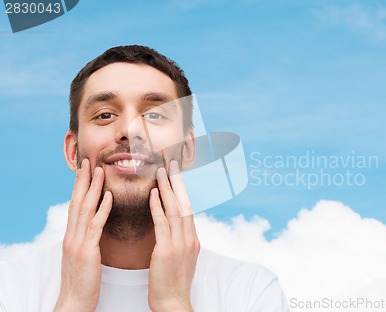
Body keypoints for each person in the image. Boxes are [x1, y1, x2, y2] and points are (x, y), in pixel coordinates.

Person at [0, 45, 290, 312]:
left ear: (188, 150)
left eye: (154, 115)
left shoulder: (250, 291)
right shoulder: (10, 287)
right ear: (73, 150)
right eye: (104, 115)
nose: (131, 129)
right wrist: (73, 301)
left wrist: (173, 301)